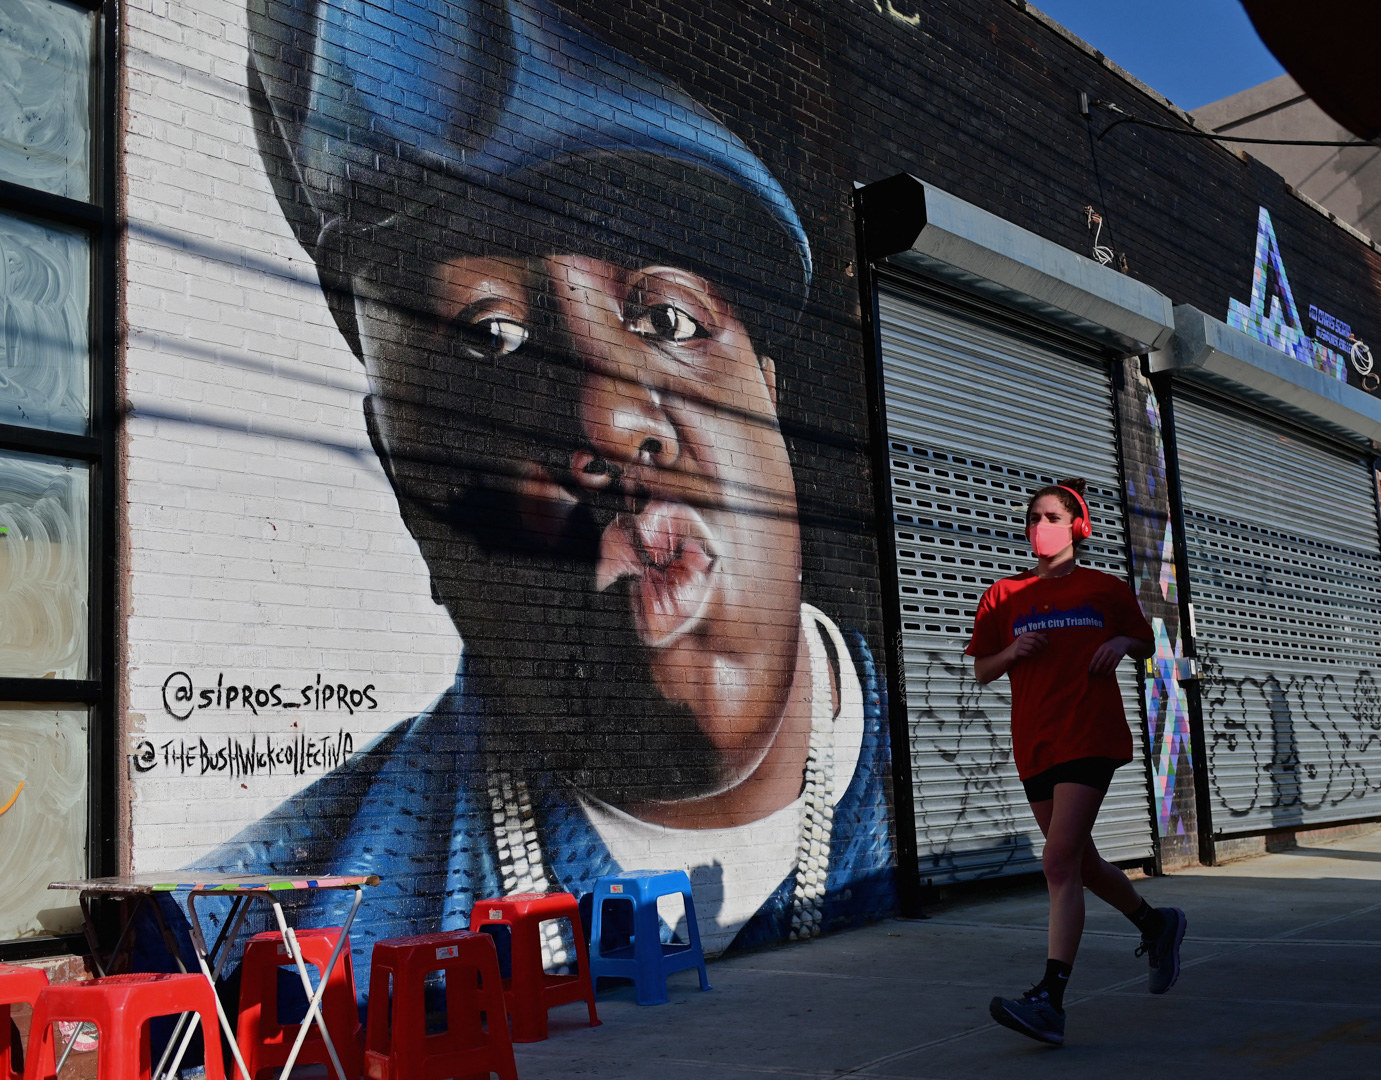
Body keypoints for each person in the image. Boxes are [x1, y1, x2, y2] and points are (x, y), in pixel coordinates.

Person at [142, 0, 895, 993]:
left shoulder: (960, 795)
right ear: (405, 473)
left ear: (773, 392)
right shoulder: (262, 959)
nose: (610, 417)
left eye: (667, 317)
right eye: (488, 339)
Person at [966, 478, 1185, 1046]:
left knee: (1058, 862)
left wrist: (1122, 646)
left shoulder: (1103, 589)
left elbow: (1143, 641)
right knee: (1080, 865)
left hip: (1089, 735)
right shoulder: (1002, 595)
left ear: (1077, 526)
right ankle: (1156, 924)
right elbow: (982, 670)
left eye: (1052, 517)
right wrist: (1012, 651)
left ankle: (1050, 1000)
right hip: (1035, 741)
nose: (1040, 526)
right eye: (1034, 517)